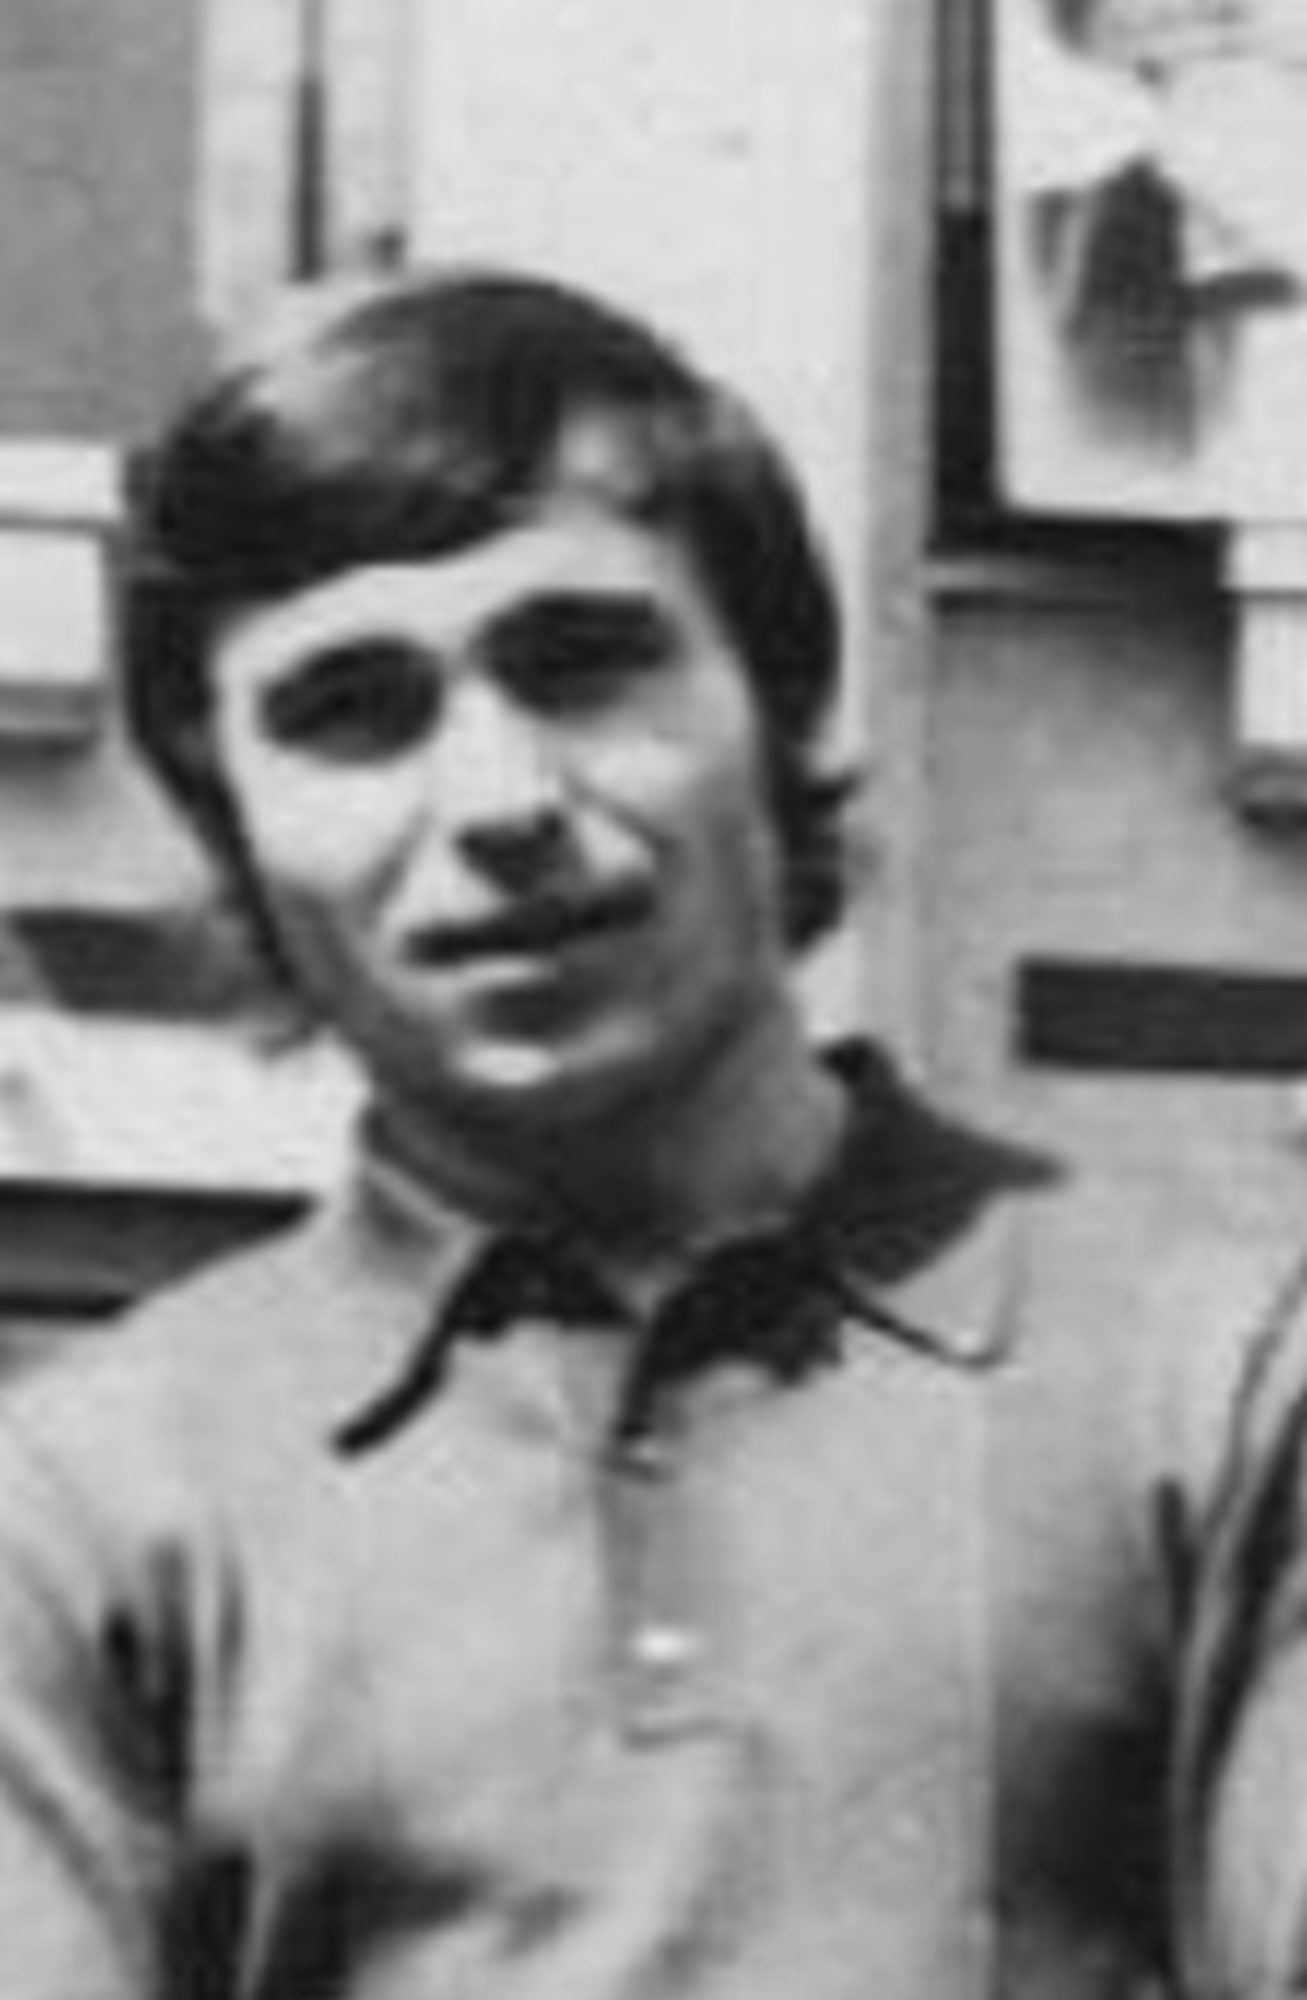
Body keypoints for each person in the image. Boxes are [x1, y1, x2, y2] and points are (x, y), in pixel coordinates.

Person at [0, 262, 1302, 1999]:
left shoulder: (1217, 1379)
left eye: (583, 666)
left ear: (777, 707)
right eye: (353, 714)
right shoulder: (85, 1512)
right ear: (235, 823)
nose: (502, 803)